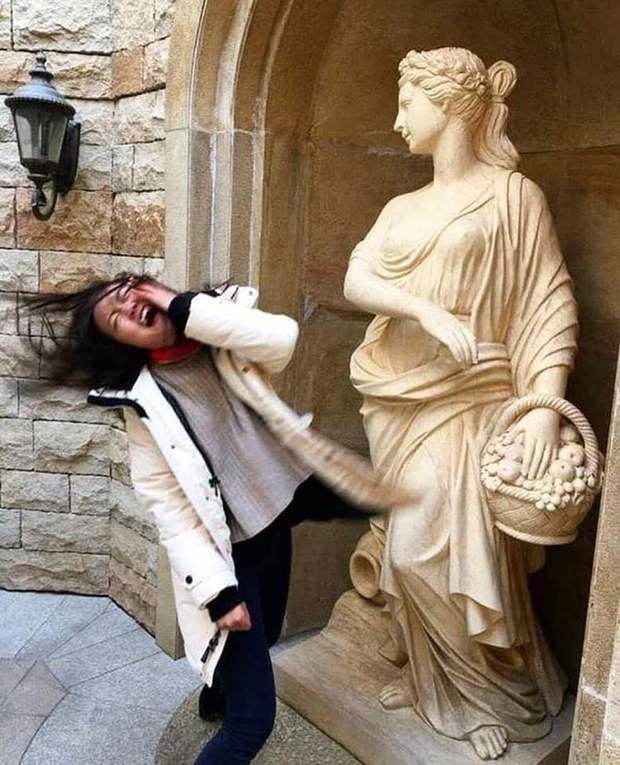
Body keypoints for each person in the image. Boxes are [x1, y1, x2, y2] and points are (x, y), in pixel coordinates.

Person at [26, 275, 404, 765]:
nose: (130, 309)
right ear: (121, 345)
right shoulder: (146, 407)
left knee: (266, 634)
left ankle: (216, 694)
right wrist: (220, 594)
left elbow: (281, 339)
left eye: (129, 294)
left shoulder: (223, 331)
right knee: (252, 722)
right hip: (231, 556)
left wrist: (184, 308)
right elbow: (172, 514)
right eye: (116, 320)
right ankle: (226, 698)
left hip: (278, 516)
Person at [343, 48, 578, 760]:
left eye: (406, 104)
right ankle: (428, 680)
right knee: (409, 551)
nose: (397, 120)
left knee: (434, 552)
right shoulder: (401, 206)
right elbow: (356, 277)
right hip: (399, 400)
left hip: (475, 402)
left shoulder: (514, 197)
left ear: (448, 107)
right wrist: (424, 310)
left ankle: (487, 696)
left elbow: (548, 303)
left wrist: (545, 408)